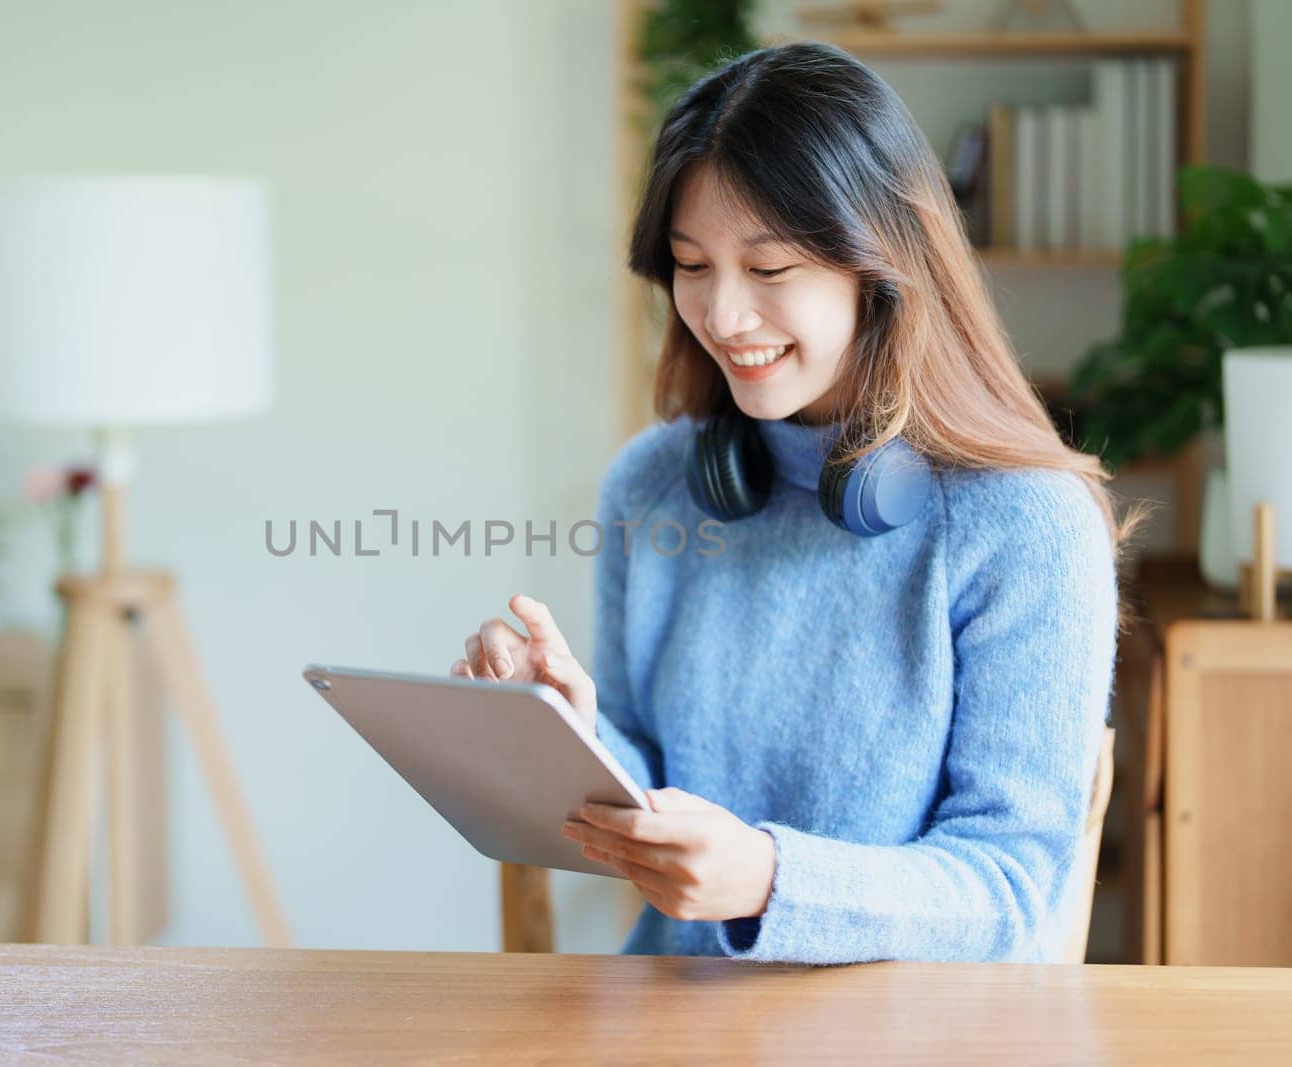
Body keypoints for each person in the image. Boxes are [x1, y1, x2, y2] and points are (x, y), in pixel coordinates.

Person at [449, 41, 1143, 965]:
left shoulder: (1025, 526)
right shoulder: (653, 487)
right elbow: (655, 783)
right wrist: (568, 729)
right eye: (691, 265)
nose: (723, 314)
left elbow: (1012, 887)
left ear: (883, 269)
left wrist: (772, 881)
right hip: (675, 1017)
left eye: (769, 270)